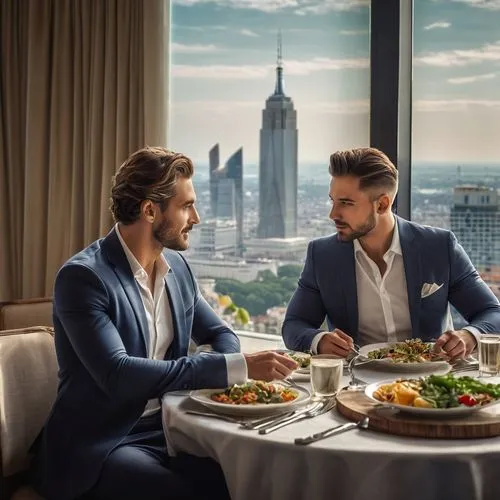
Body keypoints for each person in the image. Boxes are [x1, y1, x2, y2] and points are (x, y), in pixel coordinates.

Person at [31, 147, 297, 500]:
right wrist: (231, 367)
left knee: (253, 478)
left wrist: (231, 365)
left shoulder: (178, 269)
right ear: (149, 210)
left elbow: (221, 333)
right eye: (186, 206)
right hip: (103, 442)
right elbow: (119, 374)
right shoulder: (83, 278)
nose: (197, 218)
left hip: (172, 428)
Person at [282, 147, 500, 360]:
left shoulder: (438, 246)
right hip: (358, 383)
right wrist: (319, 340)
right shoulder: (322, 255)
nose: (333, 214)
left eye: (346, 203)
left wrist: (468, 335)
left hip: (429, 383)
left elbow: (492, 313)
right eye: (333, 201)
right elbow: (294, 325)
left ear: (382, 204)